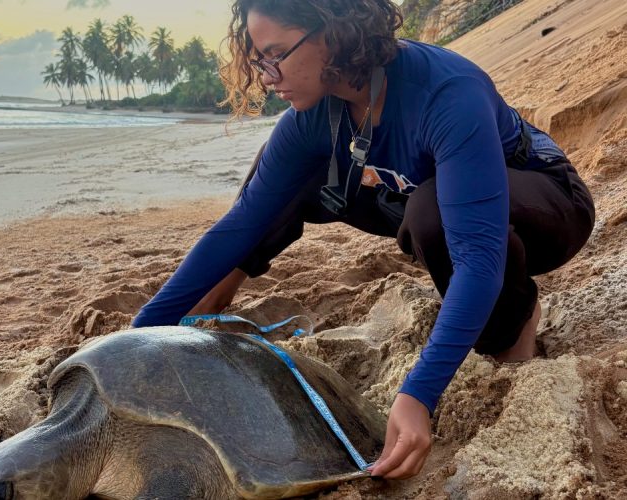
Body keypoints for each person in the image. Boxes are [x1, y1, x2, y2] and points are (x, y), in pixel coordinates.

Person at [132, 0, 595, 480]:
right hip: (421, 194)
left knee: (433, 214)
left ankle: (514, 319)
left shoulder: (445, 92)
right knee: (282, 172)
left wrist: (418, 395)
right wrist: (141, 332)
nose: (267, 77)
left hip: (545, 202)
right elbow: (241, 222)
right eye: (257, 61)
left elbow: (477, 259)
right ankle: (211, 299)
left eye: (274, 55)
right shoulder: (316, 112)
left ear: (330, 34)